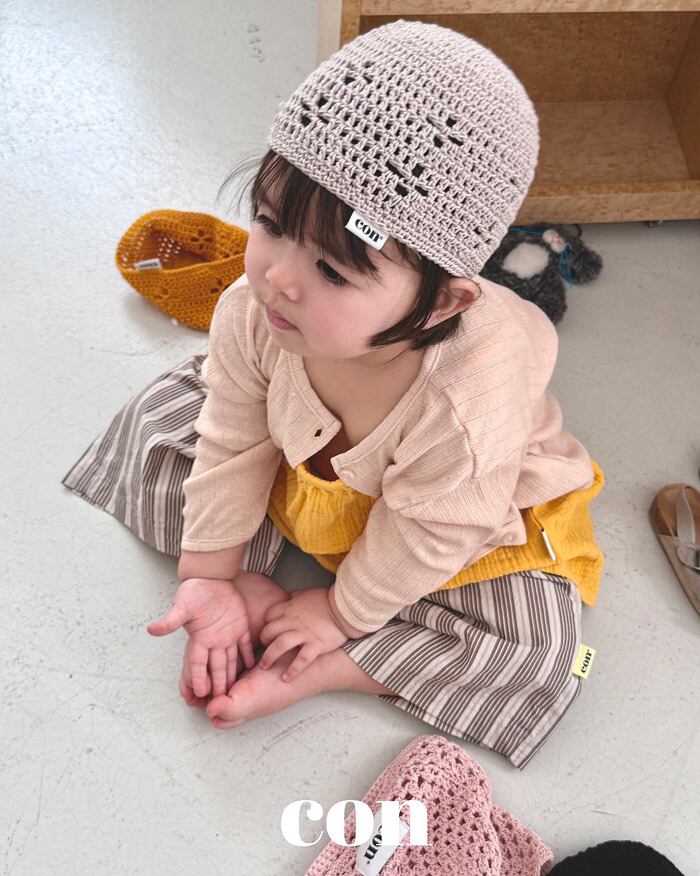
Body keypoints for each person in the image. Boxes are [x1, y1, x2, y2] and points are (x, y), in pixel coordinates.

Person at [62, 19, 605, 769]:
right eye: (270, 223)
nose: (279, 278)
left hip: (447, 517)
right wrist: (211, 575)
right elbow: (232, 434)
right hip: (306, 464)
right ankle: (252, 584)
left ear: (441, 303)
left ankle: (331, 667)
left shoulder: (466, 406)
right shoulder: (258, 311)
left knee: (540, 652)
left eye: (334, 271)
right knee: (165, 419)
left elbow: (432, 533)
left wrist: (339, 614)